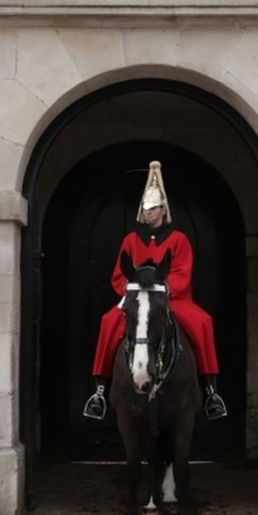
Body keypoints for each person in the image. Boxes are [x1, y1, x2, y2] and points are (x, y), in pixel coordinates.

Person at [82, 160, 227, 421]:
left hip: (172, 299)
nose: (148, 213)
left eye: (153, 208)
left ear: (163, 210)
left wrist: (163, 290)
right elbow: (119, 274)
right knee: (108, 322)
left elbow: (182, 273)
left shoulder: (178, 239)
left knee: (202, 322)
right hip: (137, 298)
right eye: (145, 208)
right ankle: (100, 391)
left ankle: (211, 389)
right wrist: (132, 290)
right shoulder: (130, 240)